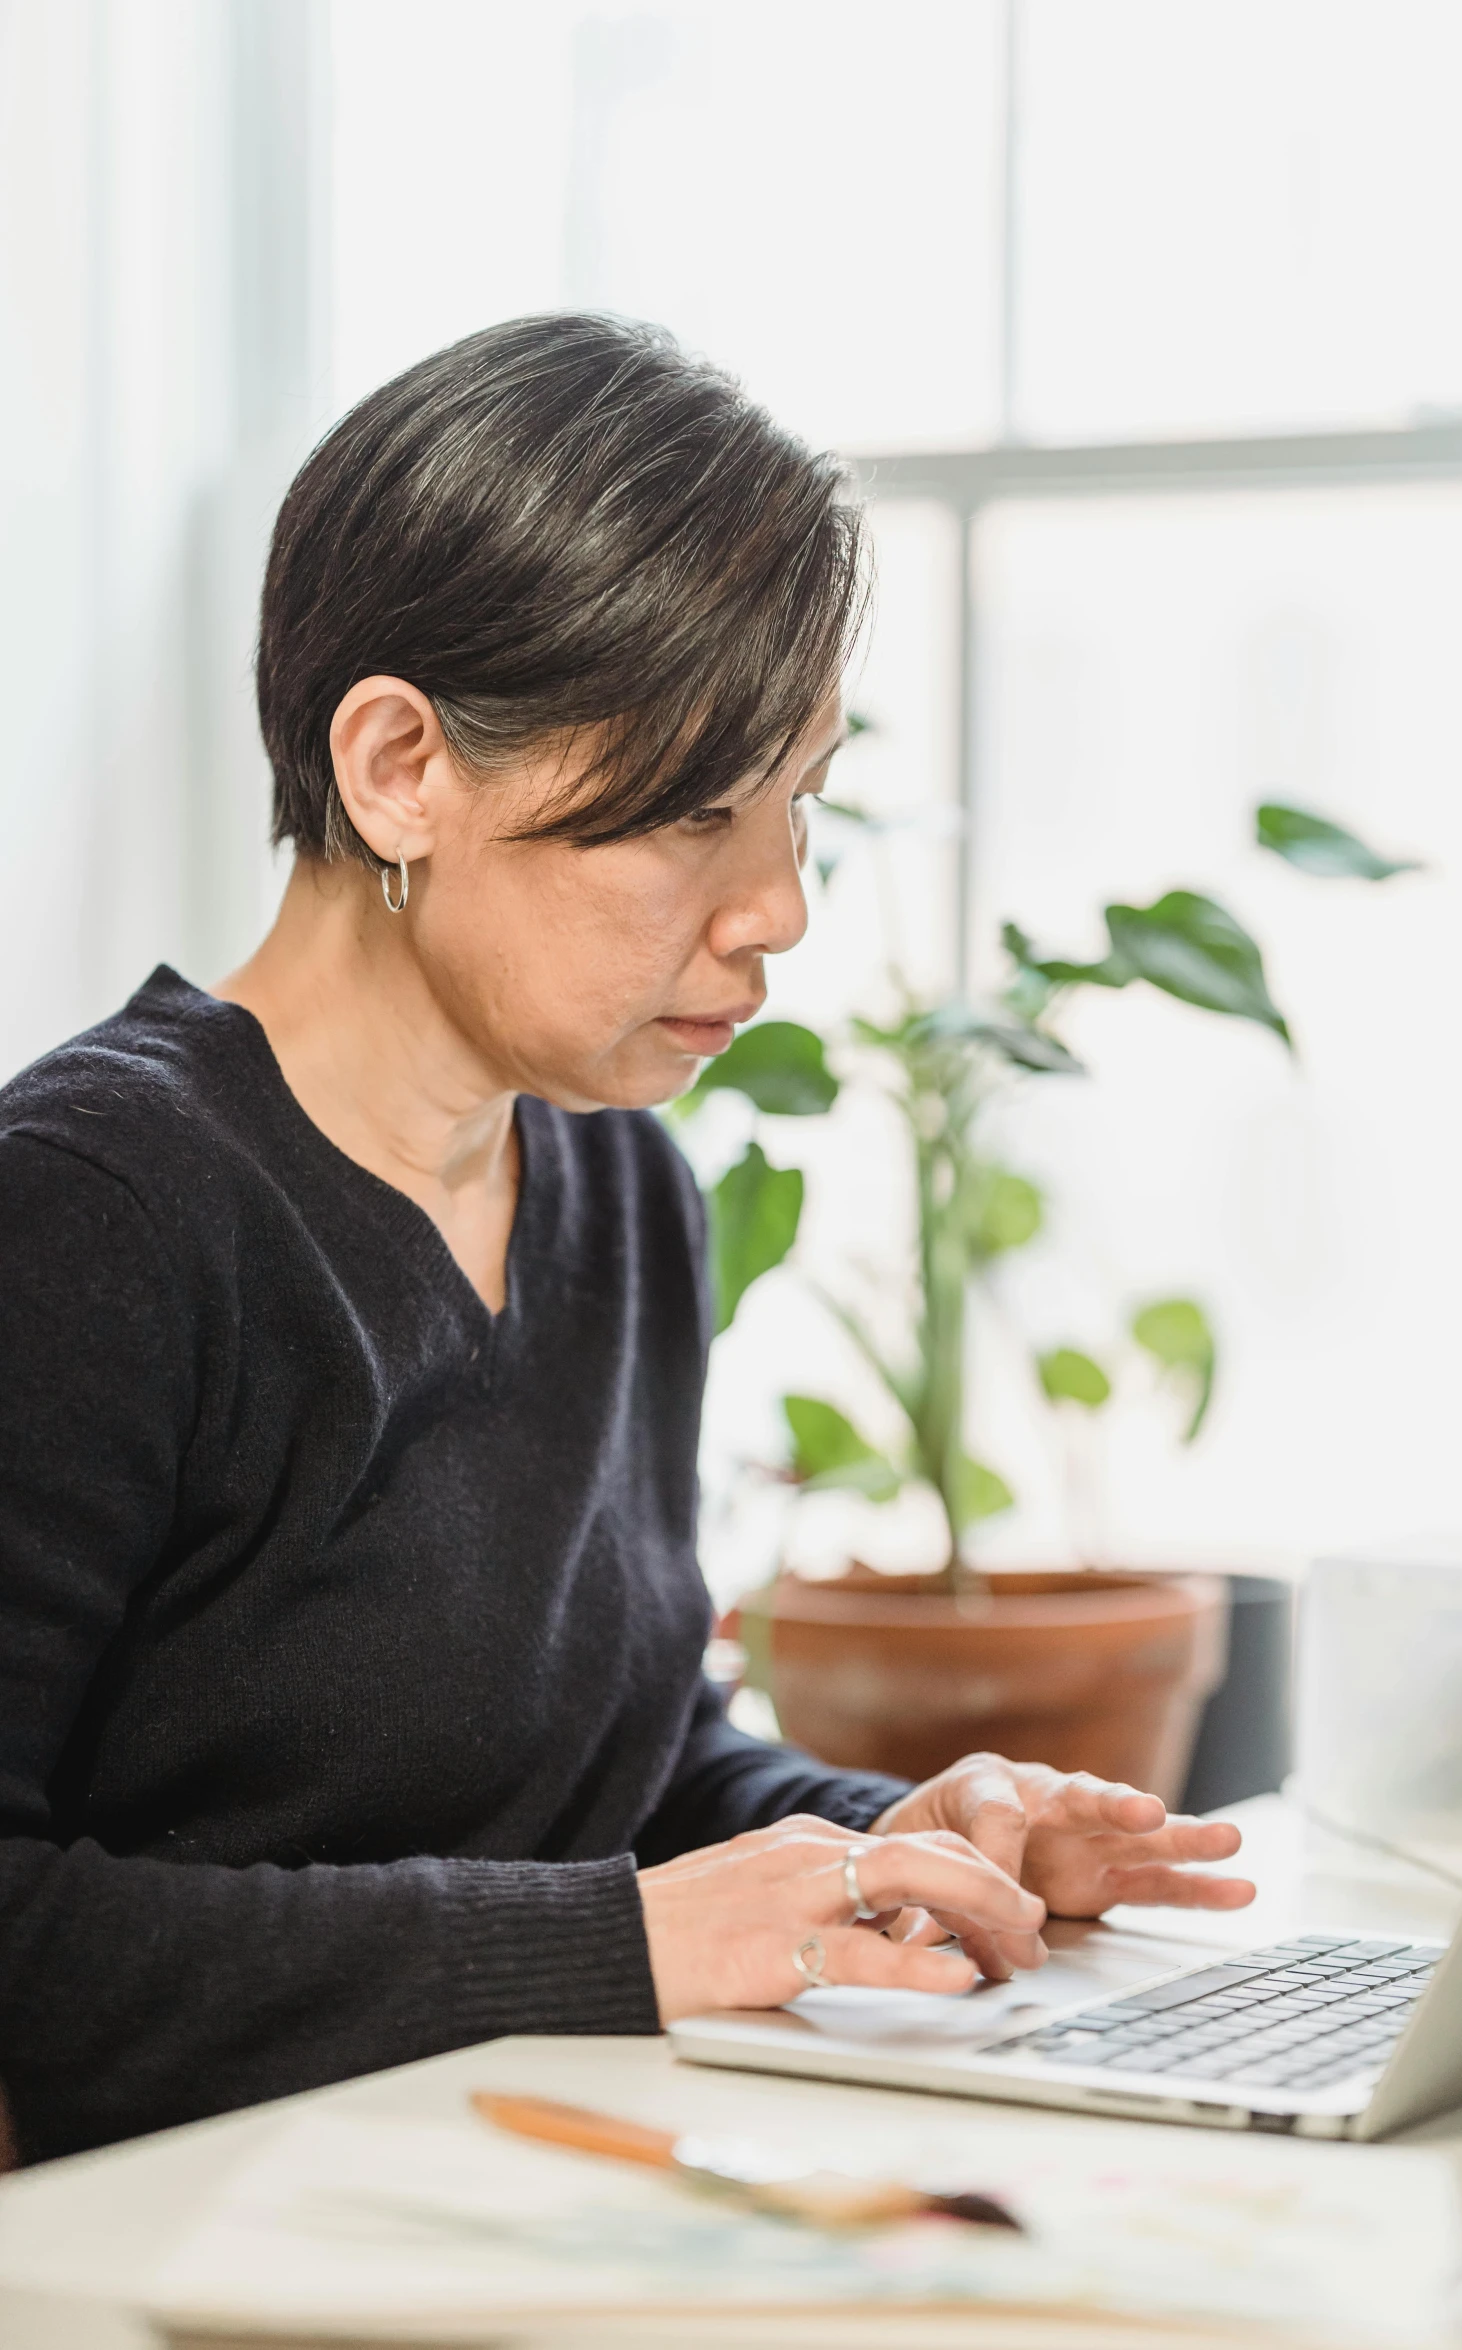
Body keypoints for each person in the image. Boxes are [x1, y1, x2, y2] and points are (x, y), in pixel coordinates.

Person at [0, 316, 1253, 2164]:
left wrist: (902, 1826)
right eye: (690, 813)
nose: (781, 911)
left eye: (801, 801)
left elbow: (623, 1778)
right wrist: (616, 1942)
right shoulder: (92, 1209)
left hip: (517, 2175)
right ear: (400, 765)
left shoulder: (618, 1189)